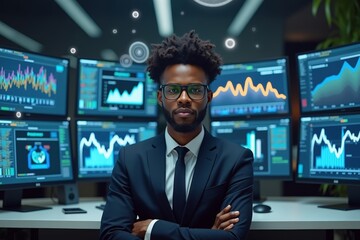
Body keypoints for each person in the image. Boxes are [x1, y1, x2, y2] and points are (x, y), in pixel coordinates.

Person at [99, 30, 254, 240]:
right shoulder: (130, 159)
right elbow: (111, 234)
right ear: (160, 97)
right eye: (173, 90)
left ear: (208, 96)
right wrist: (208, 235)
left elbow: (233, 238)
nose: (183, 98)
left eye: (195, 90)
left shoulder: (236, 159)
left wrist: (154, 229)